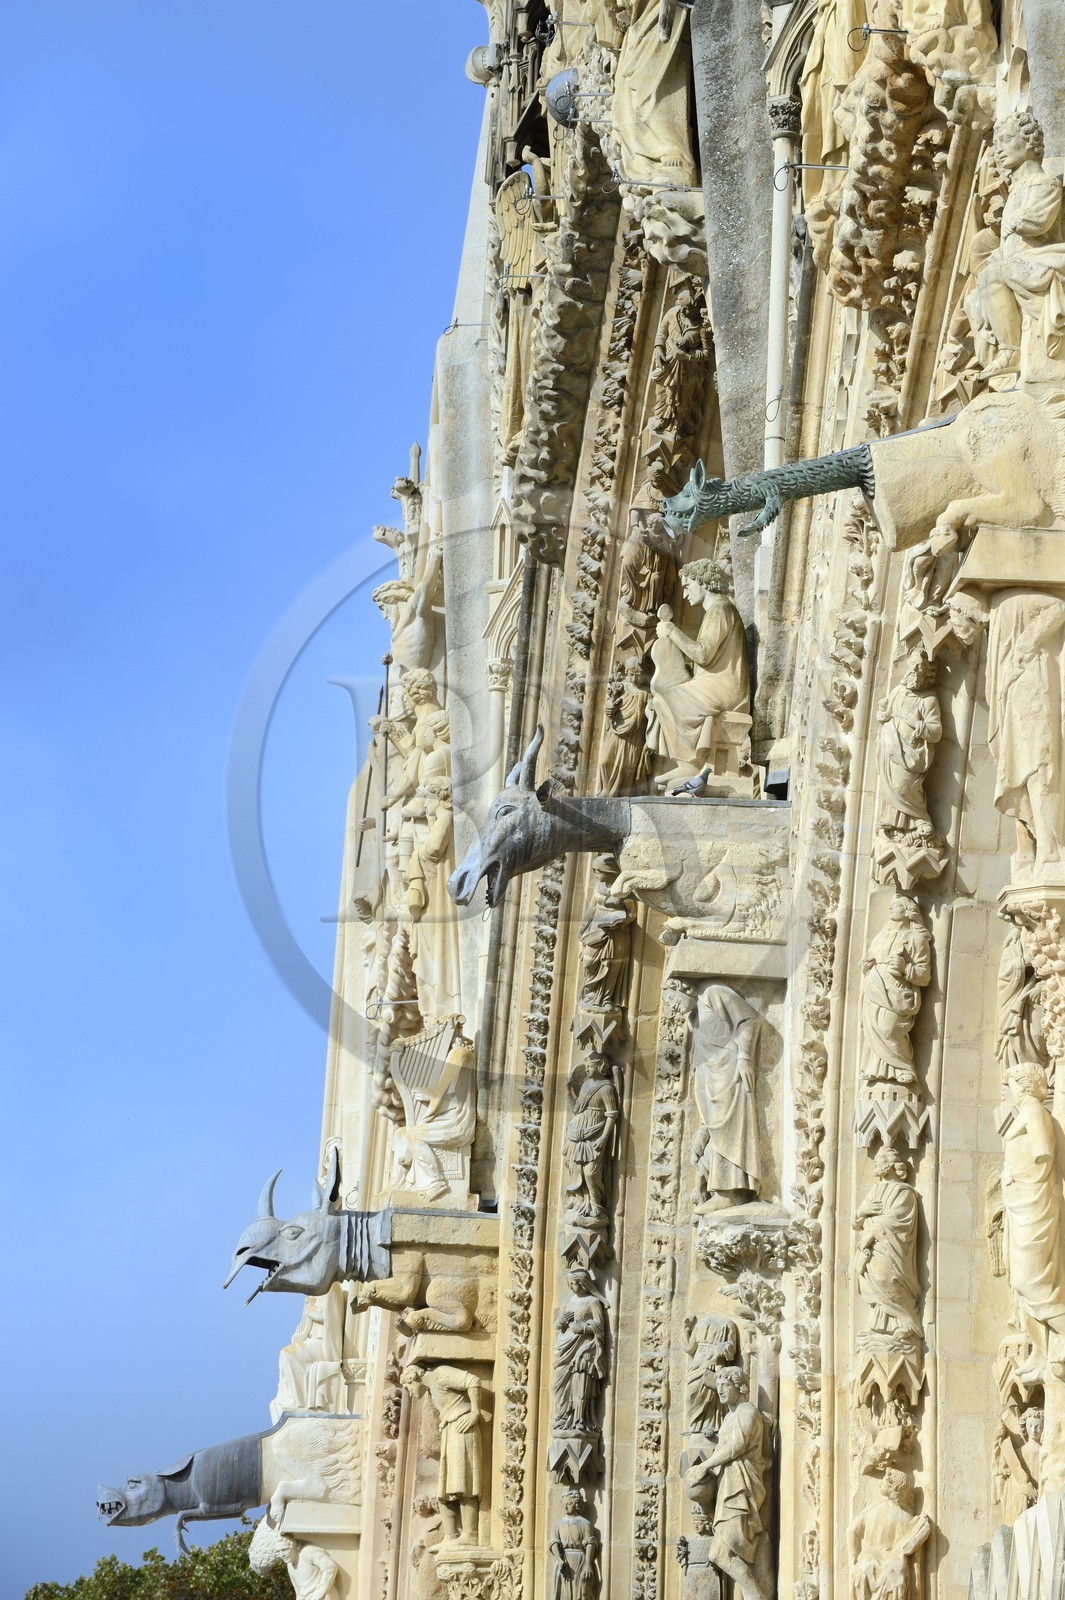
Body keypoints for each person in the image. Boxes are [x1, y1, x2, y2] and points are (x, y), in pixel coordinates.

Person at [646, 560, 749, 782]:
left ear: (703, 582)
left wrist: (672, 631)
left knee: (666, 699)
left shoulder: (720, 609)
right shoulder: (716, 611)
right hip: (715, 684)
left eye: (688, 586)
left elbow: (702, 654)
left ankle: (689, 764)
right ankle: (687, 763)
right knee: (658, 701)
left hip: (724, 687)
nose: (684, 595)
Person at [684, 1367, 768, 1600]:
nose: (719, 1390)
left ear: (739, 1386)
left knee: (722, 1551)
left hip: (741, 1486)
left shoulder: (747, 1411)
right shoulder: (731, 1416)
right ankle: (754, 1595)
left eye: (725, 1385)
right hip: (729, 1485)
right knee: (724, 1552)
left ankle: (756, 1595)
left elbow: (735, 1447)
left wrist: (705, 1465)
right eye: (718, 1384)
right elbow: (725, 1445)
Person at [400, 1362, 487, 1545]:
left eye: (408, 1387)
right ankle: (450, 1535)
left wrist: (474, 1413)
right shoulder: (431, 1388)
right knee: (447, 1487)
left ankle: (470, 1534)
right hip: (451, 1429)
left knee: (464, 1482)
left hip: (462, 1427)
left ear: (414, 1377)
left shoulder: (440, 1374)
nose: (410, 1393)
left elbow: (473, 1380)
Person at [691, 984, 761, 1210]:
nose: (672, 1005)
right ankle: (716, 1188)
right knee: (716, 1138)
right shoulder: (692, 1019)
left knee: (731, 1134)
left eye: (672, 995)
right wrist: (702, 1130)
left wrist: (745, 1058)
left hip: (732, 1076)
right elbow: (701, 1072)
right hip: (714, 1087)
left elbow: (749, 1018)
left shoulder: (713, 993)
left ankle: (729, 1193)